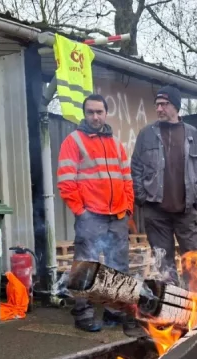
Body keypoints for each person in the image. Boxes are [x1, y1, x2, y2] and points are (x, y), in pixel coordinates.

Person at [57, 94, 136, 333]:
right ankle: (83, 313)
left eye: (99, 111)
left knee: (118, 265)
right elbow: (65, 181)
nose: (95, 116)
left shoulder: (116, 144)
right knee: (86, 265)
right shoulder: (73, 141)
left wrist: (128, 208)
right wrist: (81, 211)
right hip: (91, 217)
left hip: (117, 216)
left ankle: (115, 311)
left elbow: (127, 180)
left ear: (105, 113)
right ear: (85, 113)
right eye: (90, 112)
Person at [131, 86, 197, 284]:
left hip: (185, 211)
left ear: (175, 106)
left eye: (164, 104)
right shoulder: (146, 134)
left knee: (193, 261)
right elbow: (136, 167)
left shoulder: (193, 135)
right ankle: (172, 308)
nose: (159, 109)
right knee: (163, 264)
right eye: (157, 104)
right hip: (156, 212)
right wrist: (142, 198)